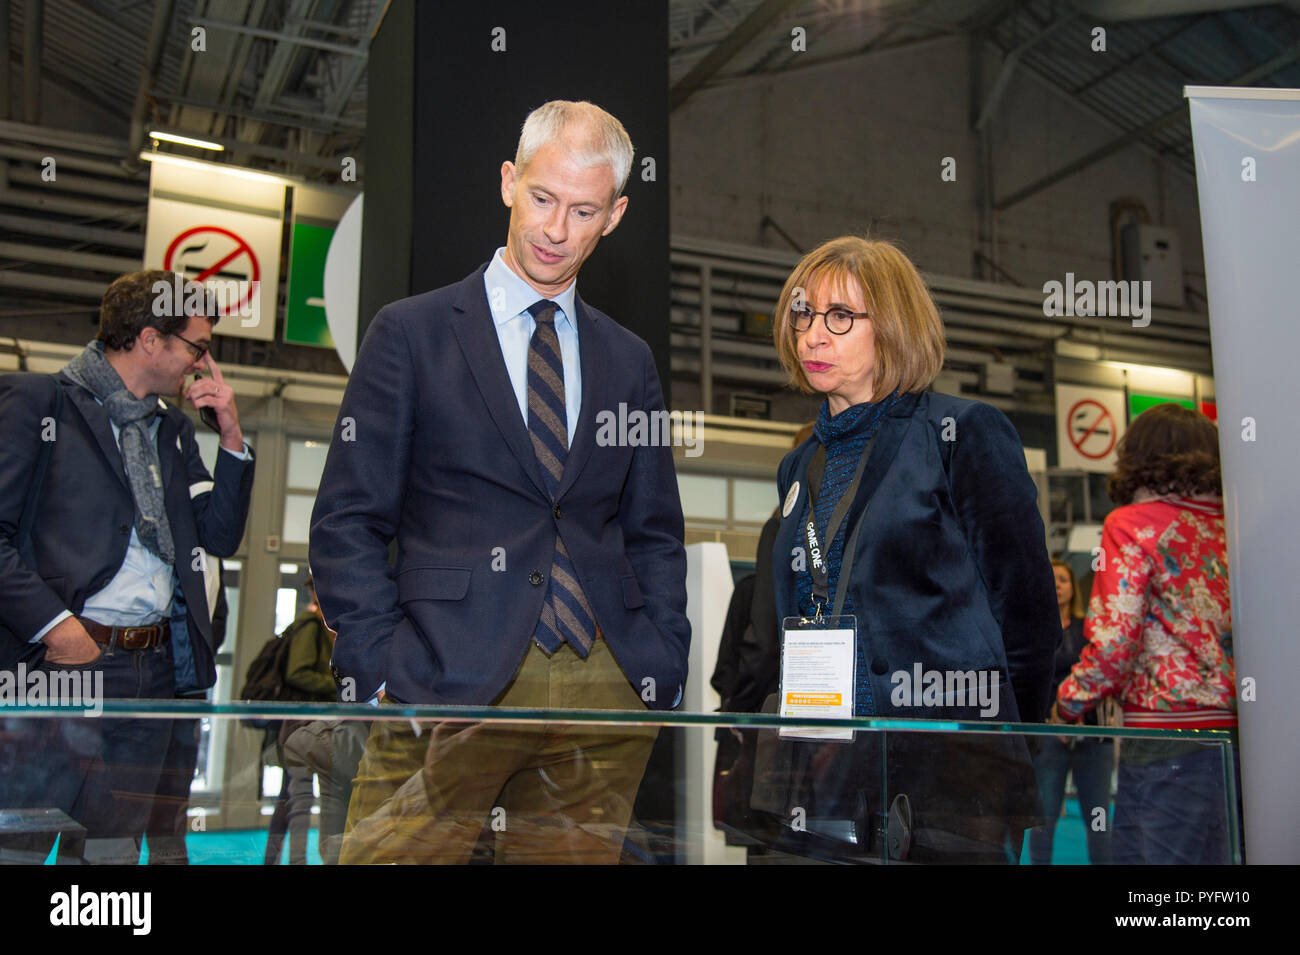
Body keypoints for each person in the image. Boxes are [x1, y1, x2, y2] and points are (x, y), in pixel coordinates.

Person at [309, 100, 689, 864]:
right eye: (543, 198)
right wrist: (384, 667)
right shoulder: (410, 333)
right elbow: (348, 520)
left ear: (614, 215)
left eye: (583, 210)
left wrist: (660, 657)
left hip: (602, 687)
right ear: (510, 181)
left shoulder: (628, 359)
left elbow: (654, 529)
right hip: (443, 679)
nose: (556, 229)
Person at [763, 235, 1059, 863]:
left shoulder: (962, 435)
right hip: (826, 768)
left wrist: (1000, 745)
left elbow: (1029, 619)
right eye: (802, 313)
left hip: (949, 777)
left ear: (893, 327)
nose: (814, 334)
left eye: (840, 316)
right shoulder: (798, 467)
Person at [0, 269, 255, 863]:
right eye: (196, 348)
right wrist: (56, 629)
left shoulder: (172, 432)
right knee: (22, 844)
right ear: (149, 339)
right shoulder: (43, 403)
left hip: (154, 673)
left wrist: (232, 434)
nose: (200, 364)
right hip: (59, 664)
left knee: (110, 853)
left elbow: (219, 534)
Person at [1056, 402, 1237, 864]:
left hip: (1164, 732)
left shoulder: (1133, 525)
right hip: (1239, 732)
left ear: (1138, 456)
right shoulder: (1232, 525)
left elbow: (1115, 643)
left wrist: (1068, 703)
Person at [1028, 559, 1116, 865]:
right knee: (1044, 820)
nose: (1056, 584)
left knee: (1099, 821)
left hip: (1093, 736)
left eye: (1063, 579)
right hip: (1050, 735)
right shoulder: (1034, 628)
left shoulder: (1091, 629)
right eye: (1051, 578)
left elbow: (1103, 673)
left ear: (1073, 587)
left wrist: (1074, 711)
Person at [264, 576, 336, 865]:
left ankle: (276, 860)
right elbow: (298, 672)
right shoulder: (310, 626)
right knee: (298, 801)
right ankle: (294, 861)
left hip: (312, 727)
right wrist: (337, 685)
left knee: (292, 800)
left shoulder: (323, 626)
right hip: (301, 727)